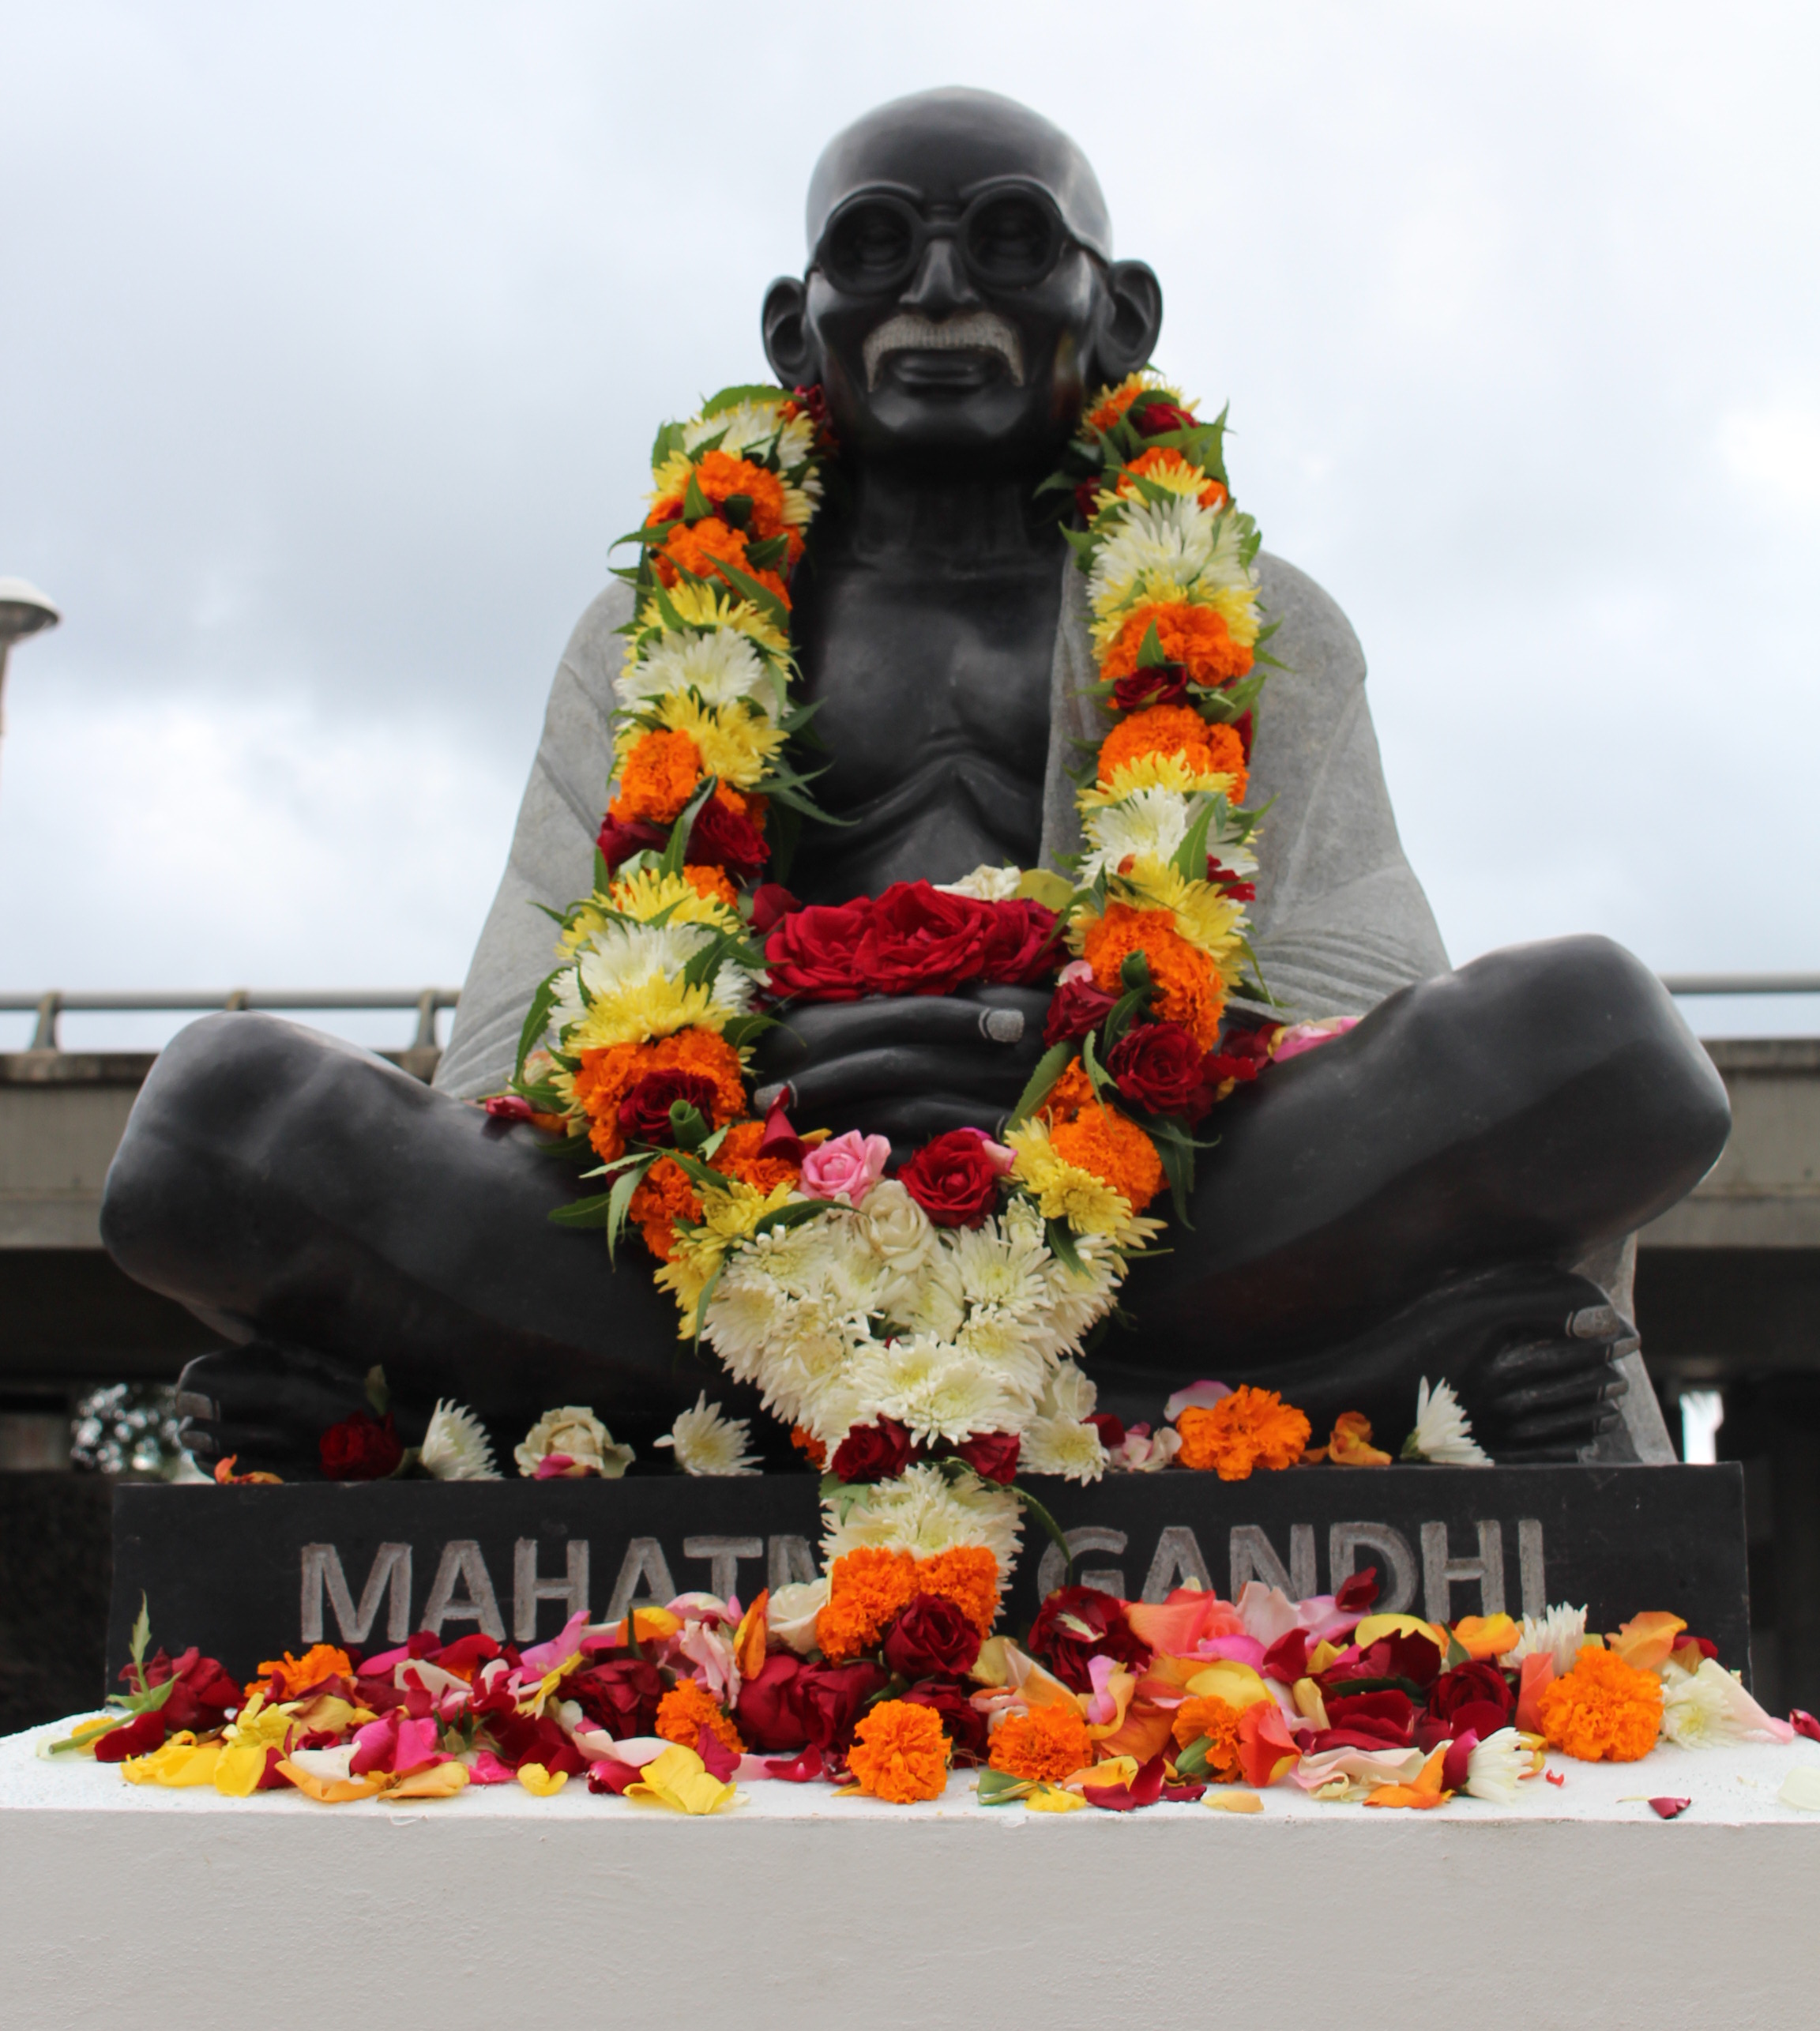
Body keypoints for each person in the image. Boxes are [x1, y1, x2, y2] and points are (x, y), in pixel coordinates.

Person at [101, 87, 1727, 1472]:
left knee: (1600, 1043)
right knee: (219, 1126)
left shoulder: (1254, 617)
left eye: (1009, 242)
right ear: (791, 326)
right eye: (877, 248)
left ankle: (664, 1405)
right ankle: (1262, 1398)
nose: (940, 292)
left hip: (1149, 1225)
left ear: (1124, 313)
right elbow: (520, 1039)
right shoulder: (650, 632)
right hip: (721, 1246)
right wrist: (776, 1093)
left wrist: (1062, 1067)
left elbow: (1353, 990)